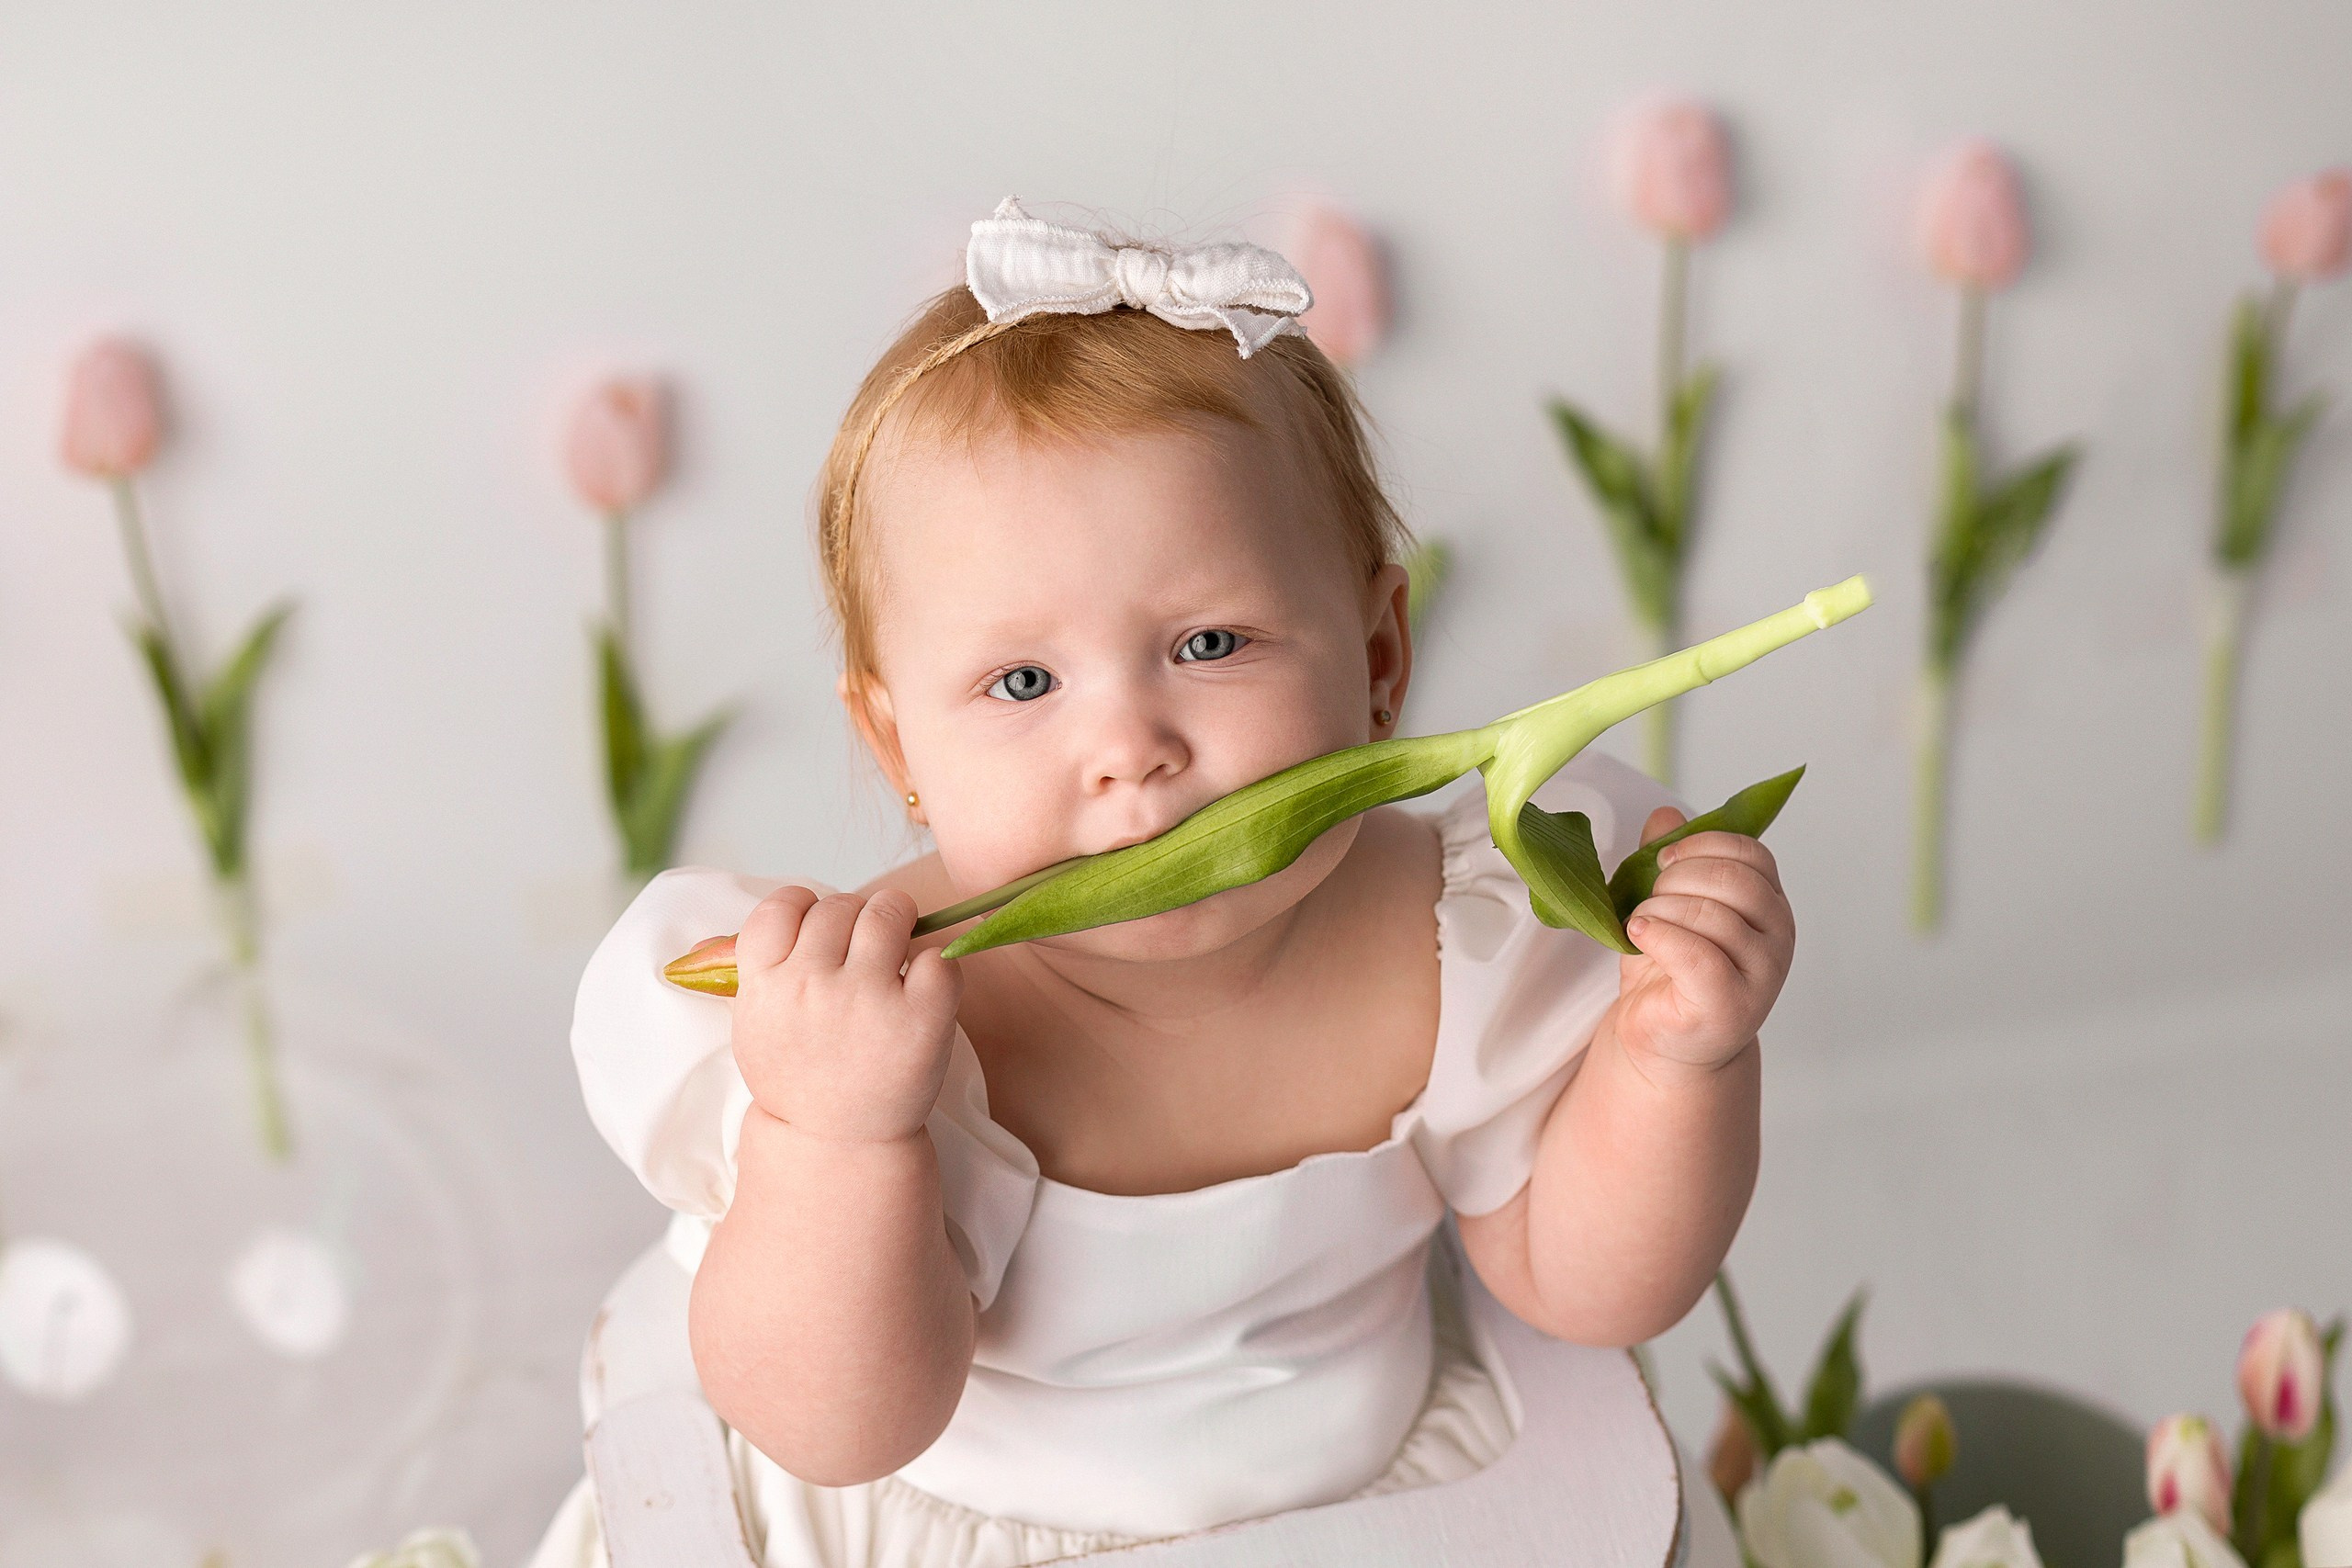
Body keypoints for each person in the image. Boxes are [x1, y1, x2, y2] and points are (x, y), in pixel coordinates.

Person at [532, 198, 1792, 1567]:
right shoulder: (896, 1016)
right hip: (963, 1513)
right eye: (1024, 682)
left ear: (1378, 661)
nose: (1129, 749)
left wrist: (1677, 1066)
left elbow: (1583, 1288)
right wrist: (837, 1135)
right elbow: (837, 1427)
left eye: (1210, 643)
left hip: (1378, 1501)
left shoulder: (1457, 934)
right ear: (899, 743)